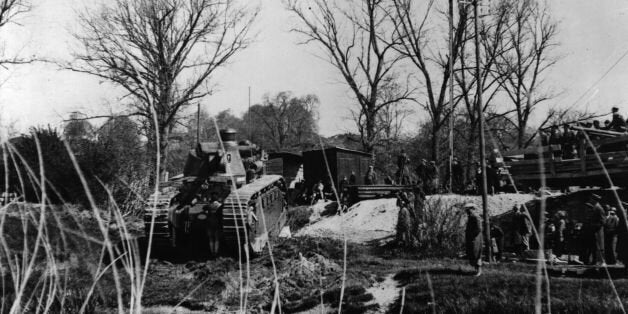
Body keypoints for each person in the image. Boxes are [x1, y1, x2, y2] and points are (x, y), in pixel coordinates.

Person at [586, 194, 606, 265]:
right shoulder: (595, 207)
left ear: (594, 199)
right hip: (594, 230)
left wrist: (594, 225)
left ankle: (601, 261)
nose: (590, 200)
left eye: (591, 199)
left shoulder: (599, 208)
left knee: (599, 246)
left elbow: (603, 221)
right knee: (594, 246)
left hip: (598, 230)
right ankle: (595, 261)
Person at [465, 203, 483, 276]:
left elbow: (479, 228)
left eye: (468, 209)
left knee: (476, 253)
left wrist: (473, 235)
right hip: (472, 237)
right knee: (472, 253)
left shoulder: (476, 217)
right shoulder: (471, 217)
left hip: (475, 238)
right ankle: (476, 270)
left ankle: (478, 271)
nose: (467, 211)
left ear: (472, 209)